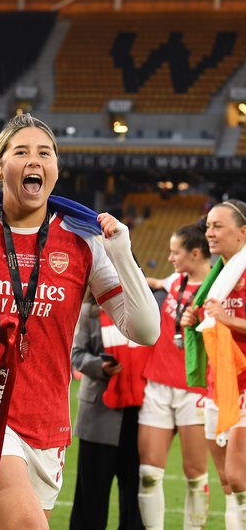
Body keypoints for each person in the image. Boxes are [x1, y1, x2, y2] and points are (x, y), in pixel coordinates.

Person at [0, 113, 160, 529]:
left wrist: (122, 253)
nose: (34, 160)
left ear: (56, 168)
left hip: (48, 423)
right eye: (20, 151)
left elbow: (145, 330)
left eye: (45, 152)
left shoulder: (83, 243)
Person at [138, 223, 211, 530]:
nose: (169, 257)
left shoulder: (218, 290)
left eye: (175, 252)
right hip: (157, 385)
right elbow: (156, 281)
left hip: (195, 390)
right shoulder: (176, 280)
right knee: (149, 473)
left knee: (195, 475)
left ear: (195, 254)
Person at [181, 199, 246, 529]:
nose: (210, 232)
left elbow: (224, 318)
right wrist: (194, 319)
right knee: (225, 479)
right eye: (208, 226)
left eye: (218, 226)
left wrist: (227, 319)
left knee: (238, 476)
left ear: (243, 232)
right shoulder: (217, 274)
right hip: (218, 382)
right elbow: (210, 321)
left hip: (244, 383)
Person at [70, 297, 144, 530]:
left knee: (135, 496)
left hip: (140, 415)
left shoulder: (144, 311)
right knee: (91, 495)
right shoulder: (89, 312)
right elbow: (77, 355)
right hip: (98, 415)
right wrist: (99, 366)